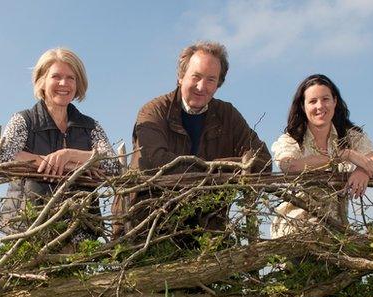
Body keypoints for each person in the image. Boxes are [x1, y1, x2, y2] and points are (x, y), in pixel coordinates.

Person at [116, 41, 271, 241]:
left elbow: (262, 162)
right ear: (181, 76)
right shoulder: (153, 111)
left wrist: (208, 171)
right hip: (148, 227)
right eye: (196, 76)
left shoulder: (228, 116)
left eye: (210, 80)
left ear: (218, 84)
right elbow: (155, 163)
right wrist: (229, 168)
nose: (201, 87)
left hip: (207, 231)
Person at [0, 48, 119, 233]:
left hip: (80, 230)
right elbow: (3, 158)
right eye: (56, 76)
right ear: (41, 82)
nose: (64, 83)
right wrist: (48, 161)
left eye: (71, 77)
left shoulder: (90, 126)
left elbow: (113, 166)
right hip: (28, 228)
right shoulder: (24, 121)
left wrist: (70, 154)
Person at [271, 74, 373, 238]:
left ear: (335, 101)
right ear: (303, 106)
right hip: (294, 231)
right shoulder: (291, 138)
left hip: (335, 232)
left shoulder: (350, 136)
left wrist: (362, 170)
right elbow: (290, 165)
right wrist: (342, 156)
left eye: (325, 99)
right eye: (312, 101)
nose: (320, 106)